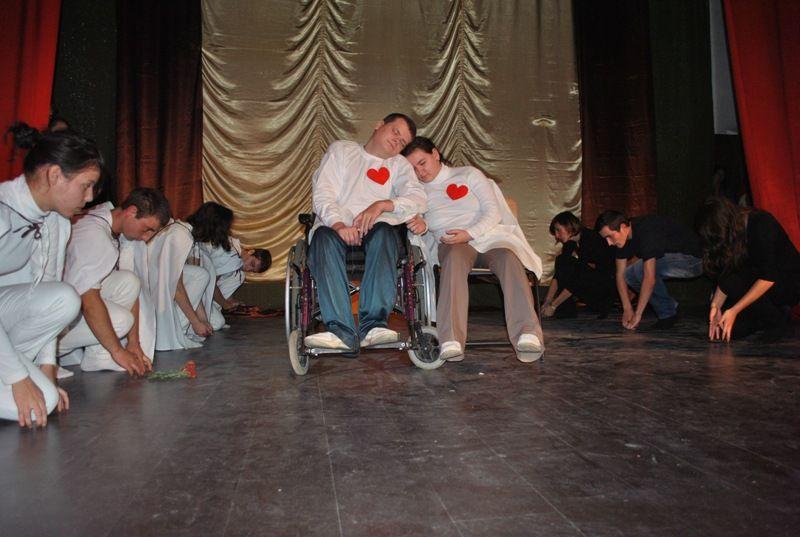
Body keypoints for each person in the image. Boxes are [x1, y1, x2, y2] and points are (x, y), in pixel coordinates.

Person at [402, 136, 544, 363]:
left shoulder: (468, 174)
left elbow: (493, 211)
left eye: (422, 163)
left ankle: (527, 332)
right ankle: (451, 339)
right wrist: (423, 225)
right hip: (453, 244)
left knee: (509, 258)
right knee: (454, 257)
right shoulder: (418, 192)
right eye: (414, 168)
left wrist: (469, 233)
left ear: (435, 154)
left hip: (489, 239)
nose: (420, 172)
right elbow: (425, 221)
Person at [0, 124, 100, 427]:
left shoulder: (56, 221)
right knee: (35, 406)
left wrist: (46, 370)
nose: (90, 196)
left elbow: (46, 291)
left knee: (64, 298)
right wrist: (18, 377)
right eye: (86, 185)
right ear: (54, 175)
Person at [305, 113, 426, 352]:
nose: (397, 141)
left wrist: (382, 205)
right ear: (379, 125)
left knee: (385, 232)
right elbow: (323, 193)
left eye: (403, 142)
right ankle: (340, 331)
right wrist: (339, 225)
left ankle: (374, 325)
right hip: (336, 229)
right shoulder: (342, 151)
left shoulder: (399, 165)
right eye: (395, 132)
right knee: (322, 237)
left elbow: (418, 199)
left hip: (377, 233)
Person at [57, 188, 171, 374]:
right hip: (50, 318)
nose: (147, 237)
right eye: (147, 229)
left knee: (129, 281)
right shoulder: (95, 236)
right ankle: (46, 352)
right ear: (131, 212)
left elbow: (131, 294)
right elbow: (89, 302)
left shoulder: (109, 218)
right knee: (122, 320)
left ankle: (99, 356)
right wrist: (118, 352)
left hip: (70, 301)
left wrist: (134, 343)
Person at [695, 196, 799, 341]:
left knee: (736, 293)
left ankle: (777, 318)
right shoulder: (734, 235)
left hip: (787, 282)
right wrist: (715, 305)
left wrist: (735, 310)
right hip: (756, 283)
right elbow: (728, 273)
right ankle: (764, 317)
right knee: (731, 330)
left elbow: (768, 277)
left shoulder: (761, 223)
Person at [596, 210, 703, 331]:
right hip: (674, 259)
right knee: (629, 274)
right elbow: (620, 274)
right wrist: (627, 308)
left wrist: (637, 315)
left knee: (640, 270)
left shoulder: (646, 230)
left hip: (694, 261)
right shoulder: (623, 238)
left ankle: (667, 314)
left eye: (609, 236)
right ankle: (670, 308)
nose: (609, 243)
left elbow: (649, 278)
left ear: (623, 227)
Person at [187, 202, 271, 326]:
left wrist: (231, 302)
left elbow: (221, 281)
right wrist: (225, 304)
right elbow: (212, 282)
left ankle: (207, 309)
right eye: (252, 264)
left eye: (252, 270)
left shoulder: (238, 267)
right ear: (251, 251)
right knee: (217, 323)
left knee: (240, 276)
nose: (248, 268)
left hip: (202, 288)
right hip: (193, 284)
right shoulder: (232, 254)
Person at [147, 215, 215, 351]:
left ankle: (179, 326)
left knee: (200, 274)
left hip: (158, 283)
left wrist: (202, 319)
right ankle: (174, 330)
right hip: (151, 286)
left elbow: (194, 288)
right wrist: (195, 322)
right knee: (200, 275)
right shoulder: (181, 235)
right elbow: (177, 286)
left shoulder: (184, 232)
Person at [543, 211, 615, 319]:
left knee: (571, 266)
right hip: (588, 286)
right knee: (562, 260)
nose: (557, 236)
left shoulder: (590, 238)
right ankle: (565, 308)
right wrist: (547, 301)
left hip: (603, 292)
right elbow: (559, 274)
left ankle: (562, 307)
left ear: (569, 226)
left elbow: (579, 276)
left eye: (558, 230)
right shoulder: (570, 244)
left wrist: (554, 305)